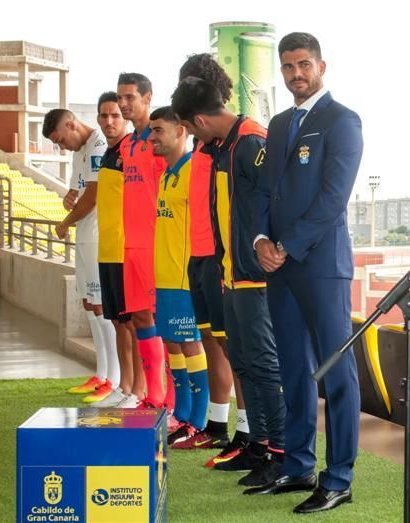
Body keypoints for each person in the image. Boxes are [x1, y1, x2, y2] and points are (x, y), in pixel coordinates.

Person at [247, 32, 364, 515]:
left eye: (304, 64)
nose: (297, 73)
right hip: (278, 267)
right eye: (289, 66)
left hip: (321, 267)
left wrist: (287, 246)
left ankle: (338, 479)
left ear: (321, 66)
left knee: (335, 373)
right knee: (293, 369)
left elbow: (333, 200)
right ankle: (298, 467)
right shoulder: (277, 125)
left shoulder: (342, 120)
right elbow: (262, 194)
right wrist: (259, 242)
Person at [171, 77, 285, 488]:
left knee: (262, 364)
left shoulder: (252, 141)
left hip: (254, 277)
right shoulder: (223, 146)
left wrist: (265, 253)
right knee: (243, 362)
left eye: (192, 128)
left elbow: (277, 203)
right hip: (230, 273)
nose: (194, 137)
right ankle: (258, 444)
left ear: (199, 120)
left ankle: (281, 451)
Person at [173, 54, 251, 462]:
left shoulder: (231, 140)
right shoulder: (204, 144)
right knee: (212, 340)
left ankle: (247, 432)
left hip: (224, 259)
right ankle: (218, 425)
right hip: (198, 254)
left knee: (235, 347)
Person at [42, 108, 118, 403]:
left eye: (61, 140)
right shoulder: (79, 151)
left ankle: (115, 378)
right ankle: (101, 374)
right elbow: (77, 191)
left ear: (71, 124)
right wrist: (67, 199)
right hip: (84, 238)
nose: (62, 147)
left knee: (103, 308)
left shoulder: (99, 143)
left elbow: (94, 195)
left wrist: (65, 222)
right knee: (89, 305)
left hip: (99, 237)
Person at [148, 107, 209, 445]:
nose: (153, 137)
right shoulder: (165, 174)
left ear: (181, 131)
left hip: (185, 278)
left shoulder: (192, 171)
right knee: (172, 343)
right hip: (164, 276)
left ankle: (198, 421)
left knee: (190, 343)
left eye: (159, 130)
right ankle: (181, 413)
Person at [116, 72, 171, 410]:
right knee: (138, 319)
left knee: (161, 321)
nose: (123, 104)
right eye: (120, 98)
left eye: (130, 98)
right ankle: (152, 394)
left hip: (155, 245)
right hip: (130, 245)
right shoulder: (126, 144)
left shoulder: (159, 140)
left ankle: (170, 399)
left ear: (147, 98)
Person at [89, 92, 143, 409]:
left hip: (127, 251)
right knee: (117, 322)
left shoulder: (131, 152)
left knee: (132, 323)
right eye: (104, 115)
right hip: (106, 250)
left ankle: (137, 390)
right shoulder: (108, 154)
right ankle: (123, 386)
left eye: (115, 116)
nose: (109, 122)